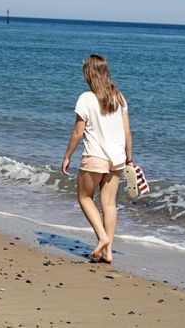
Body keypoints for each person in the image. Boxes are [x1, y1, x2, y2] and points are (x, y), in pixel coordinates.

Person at [61, 54, 133, 263]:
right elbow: (127, 132)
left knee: (84, 197)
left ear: (89, 74)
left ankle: (102, 238)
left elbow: (77, 132)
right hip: (117, 158)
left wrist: (67, 156)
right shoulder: (119, 97)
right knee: (109, 204)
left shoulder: (86, 98)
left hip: (95, 156)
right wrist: (129, 158)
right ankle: (107, 252)